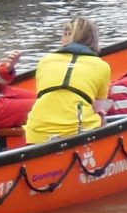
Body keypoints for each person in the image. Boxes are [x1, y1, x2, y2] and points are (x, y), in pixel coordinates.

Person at [24, 17, 113, 146]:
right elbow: (98, 109)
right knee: (102, 119)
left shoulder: (44, 61)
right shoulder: (101, 66)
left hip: (37, 132)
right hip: (76, 131)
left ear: (66, 36)